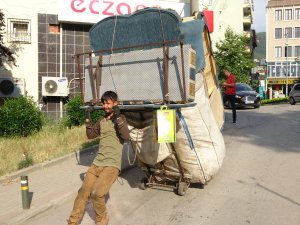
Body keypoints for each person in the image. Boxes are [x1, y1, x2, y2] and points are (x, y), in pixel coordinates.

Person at [67, 91, 130, 225]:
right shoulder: (102, 120)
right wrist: (88, 116)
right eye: (104, 103)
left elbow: (126, 137)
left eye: (108, 103)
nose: (106, 106)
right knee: (83, 192)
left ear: (115, 103)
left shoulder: (121, 119)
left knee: (97, 194)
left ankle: (102, 220)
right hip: (97, 164)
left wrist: (118, 118)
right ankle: (72, 222)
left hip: (111, 165)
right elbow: (90, 135)